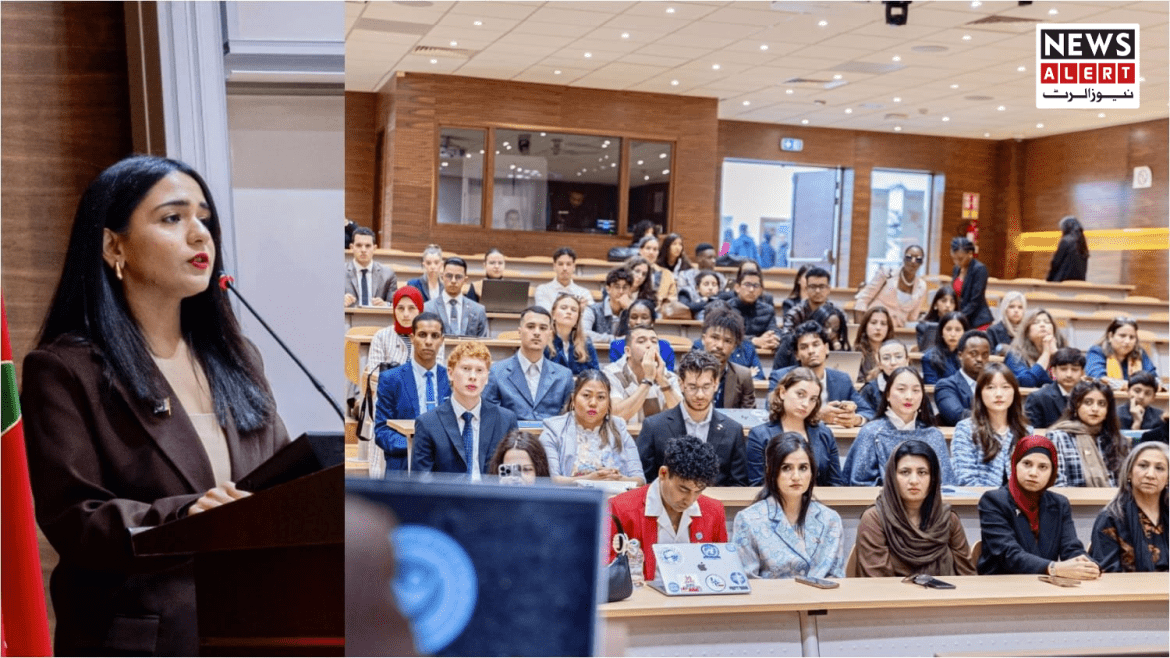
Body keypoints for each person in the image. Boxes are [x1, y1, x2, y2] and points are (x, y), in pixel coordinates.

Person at [22, 155, 291, 655]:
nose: (200, 236)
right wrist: (188, 514)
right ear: (112, 245)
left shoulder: (239, 360)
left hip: (256, 632)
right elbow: (76, 518)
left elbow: (279, 486)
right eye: (173, 218)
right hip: (143, 641)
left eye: (204, 219)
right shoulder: (64, 370)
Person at [976, 435, 1100, 579]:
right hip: (1002, 586)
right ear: (1015, 464)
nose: (1033, 473)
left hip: (1045, 586)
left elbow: (1071, 549)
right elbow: (1009, 555)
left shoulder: (1059, 503)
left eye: (1043, 467)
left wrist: (1087, 565)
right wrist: (1054, 568)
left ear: (1052, 472)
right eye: (1027, 464)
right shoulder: (994, 500)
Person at [608, 437, 727, 581]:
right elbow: (607, 571)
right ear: (663, 473)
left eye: (698, 491)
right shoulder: (621, 508)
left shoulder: (714, 510)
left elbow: (721, 570)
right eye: (683, 489)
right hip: (644, 599)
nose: (689, 500)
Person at [855, 441, 976, 578]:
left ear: (933, 479)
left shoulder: (948, 519)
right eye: (905, 472)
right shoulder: (874, 519)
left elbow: (968, 577)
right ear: (892, 477)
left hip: (944, 598)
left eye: (922, 472)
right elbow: (877, 582)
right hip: (893, 598)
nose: (914, 480)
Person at [732, 434, 845, 579]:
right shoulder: (748, 520)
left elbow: (836, 577)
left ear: (812, 472)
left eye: (803, 468)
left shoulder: (830, 519)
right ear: (772, 472)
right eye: (786, 468)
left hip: (821, 600)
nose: (796, 476)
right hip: (772, 601)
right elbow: (747, 581)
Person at [639, 351, 748, 486]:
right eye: (693, 387)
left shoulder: (733, 429)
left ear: (716, 384)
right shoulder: (654, 426)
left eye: (706, 387)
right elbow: (645, 480)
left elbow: (739, 483)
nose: (700, 395)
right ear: (681, 384)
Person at [411, 341, 519, 475]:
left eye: (479, 370)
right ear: (450, 373)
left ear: (486, 378)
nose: (473, 377)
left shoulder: (506, 420)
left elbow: (512, 478)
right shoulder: (427, 423)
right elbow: (421, 482)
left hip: (490, 495)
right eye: (466, 369)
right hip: (446, 495)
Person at [843, 366, 955, 486]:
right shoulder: (871, 432)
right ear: (887, 395)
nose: (909, 396)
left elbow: (947, 484)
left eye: (916, 390)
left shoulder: (934, 435)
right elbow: (859, 483)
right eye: (901, 389)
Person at [538, 370, 644, 485]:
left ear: (609, 403)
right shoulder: (554, 430)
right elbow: (552, 481)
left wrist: (615, 479)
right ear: (573, 399)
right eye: (586, 395)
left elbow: (640, 480)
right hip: (570, 499)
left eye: (601, 397)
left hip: (616, 499)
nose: (593, 403)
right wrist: (590, 480)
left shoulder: (619, 428)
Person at [374, 312, 450, 472]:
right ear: (412, 338)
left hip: (444, 466)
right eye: (422, 335)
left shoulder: (451, 379)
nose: (428, 342)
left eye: (435, 336)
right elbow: (382, 432)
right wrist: (416, 446)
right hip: (404, 462)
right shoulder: (391, 379)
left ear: (442, 340)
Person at [747, 368, 843, 488]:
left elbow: (836, 483)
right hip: (774, 504)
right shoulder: (759, 435)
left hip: (819, 502)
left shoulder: (824, 433)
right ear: (782, 392)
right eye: (800, 394)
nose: (806, 404)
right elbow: (757, 485)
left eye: (813, 399)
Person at [769, 321, 874, 427]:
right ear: (796, 355)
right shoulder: (780, 377)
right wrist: (817, 415)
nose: (811, 351)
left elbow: (868, 413)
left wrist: (855, 420)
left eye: (816, 345)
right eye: (804, 347)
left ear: (827, 348)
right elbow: (771, 413)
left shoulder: (842, 379)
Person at [483, 306, 574, 421]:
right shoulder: (496, 372)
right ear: (520, 332)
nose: (537, 333)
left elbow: (568, 421)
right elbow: (489, 417)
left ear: (550, 334)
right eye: (531, 327)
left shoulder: (564, 376)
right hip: (510, 437)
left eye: (543, 328)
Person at [1090, 442, 1169, 572]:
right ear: (1129, 473)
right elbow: (1107, 574)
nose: (1150, 474)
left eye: (1159, 468)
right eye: (1143, 466)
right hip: (1128, 591)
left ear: (1168, 478)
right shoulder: (1111, 518)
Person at [952, 363, 1032, 487]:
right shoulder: (965, 429)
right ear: (980, 393)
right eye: (990, 387)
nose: (999, 394)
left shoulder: (1026, 431)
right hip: (979, 502)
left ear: (1014, 392)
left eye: (1005, 387)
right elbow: (965, 479)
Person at [1048, 380, 1129, 487]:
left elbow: (1126, 483)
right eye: (1088, 402)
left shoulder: (1117, 438)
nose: (1095, 409)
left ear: (1107, 411)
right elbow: (1057, 483)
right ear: (1076, 406)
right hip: (1072, 502)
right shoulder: (1058, 437)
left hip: (1114, 501)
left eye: (1101, 404)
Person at [603, 324, 682, 423]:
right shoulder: (611, 374)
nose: (649, 345)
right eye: (641, 341)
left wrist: (662, 381)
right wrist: (648, 379)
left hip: (660, 437)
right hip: (622, 436)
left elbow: (682, 415)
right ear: (628, 351)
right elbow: (616, 416)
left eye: (654, 341)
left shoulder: (668, 376)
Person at [853, 245, 929, 328]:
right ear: (903, 258)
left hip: (897, 332)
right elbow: (862, 301)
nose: (913, 261)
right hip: (874, 327)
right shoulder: (886, 273)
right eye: (909, 257)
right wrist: (859, 331)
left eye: (918, 259)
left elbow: (912, 318)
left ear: (922, 262)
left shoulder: (921, 286)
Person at [695, 307, 757, 408]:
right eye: (715, 337)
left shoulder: (743, 376)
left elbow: (748, 417)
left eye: (727, 341)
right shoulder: (687, 373)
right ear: (703, 339)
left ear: (734, 347)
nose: (720, 345)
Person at [365, 286, 426, 380]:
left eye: (411, 308)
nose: (406, 314)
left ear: (420, 310)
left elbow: (435, 377)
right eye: (401, 308)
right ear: (394, 310)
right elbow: (374, 376)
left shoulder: (432, 337)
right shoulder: (381, 337)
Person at [934, 330, 991, 426]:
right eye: (974, 353)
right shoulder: (946, 385)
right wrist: (996, 417)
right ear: (960, 355)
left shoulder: (993, 384)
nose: (980, 359)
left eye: (985, 355)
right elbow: (957, 416)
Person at [422, 257, 488, 338]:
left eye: (458, 277)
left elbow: (483, 345)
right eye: (449, 276)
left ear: (465, 280)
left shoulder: (478, 310)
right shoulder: (427, 308)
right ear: (442, 277)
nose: (453, 281)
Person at [1086, 317, 1159, 387]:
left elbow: (1154, 379)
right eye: (1122, 336)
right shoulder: (1096, 351)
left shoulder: (1140, 353)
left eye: (1132, 337)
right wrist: (1134, 386)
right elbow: (1098, 379)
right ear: (1110, 336)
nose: (1127, 341)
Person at [1024, 347, 1086, 430]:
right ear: (1053, 371)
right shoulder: (1038, 398)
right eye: (1063, 369)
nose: (1069, 374)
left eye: (1074, 370)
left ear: (1082, 373)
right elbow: (1033, 434)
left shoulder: (1089, 396)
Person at [609, 298, 677, 371]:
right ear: (628, 322)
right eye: (634, 317)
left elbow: (669, 378)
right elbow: (617, 377)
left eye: (644, 318)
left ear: (652, 322)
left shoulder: (665, 347)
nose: (638, 322)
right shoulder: (616, 346)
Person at [1003, 309, 1065, 388]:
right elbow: (1026, 382)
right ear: (1027, 331)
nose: (1042, 325)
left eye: (1047, 322)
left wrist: (1057, 357)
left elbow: (1067, 384)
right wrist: (1046, 353)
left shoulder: (1062, 351)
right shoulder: (1015, 354)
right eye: (1036, 322)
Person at [547, 293, 600, 375]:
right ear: (553, 315)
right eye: (563, 308)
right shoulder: (544, 341)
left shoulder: (586, 343)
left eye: (574, 310)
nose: (569, 312)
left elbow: (595, 375)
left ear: (577, 319)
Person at [730, 268, 781, 352]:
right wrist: (754, 341)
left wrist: (773, 338)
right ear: (737, 287)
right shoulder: (727, 308)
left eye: (756, 286)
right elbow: (728, 335)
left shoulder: (768, 310)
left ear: (761, 290)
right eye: (747, 284)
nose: (751, 290)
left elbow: (774, 330)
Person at [345, 226, 396, 307]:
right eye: (359, 245)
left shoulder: (388, 274)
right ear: (351, 248)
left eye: (368, 246)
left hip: (376, 319)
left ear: (374, 248)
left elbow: (395, 305)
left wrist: (386, 304)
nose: (363, 250)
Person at [780, 266, 838, 337]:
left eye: (822, 287)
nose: (817, 291)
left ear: (828, 289)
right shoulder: (794, 314)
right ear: (807, 289)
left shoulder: (836, 313)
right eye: (813, 287)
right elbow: (786, 338)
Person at [949, 236, 993, 330]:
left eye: (960, 259)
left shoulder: (979, 269)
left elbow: (975, 301)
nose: (957, 262)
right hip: (962, 320)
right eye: (954, 259)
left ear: (970, 254)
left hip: (978, 321)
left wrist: (958, 317)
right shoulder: (956, 269)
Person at [583, 267, 634, 344]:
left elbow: (644, 333)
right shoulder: (592, 310)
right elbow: (583, 333)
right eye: (617, 287)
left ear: (630, 290)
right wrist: (615, 339)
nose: (621, 291)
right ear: (608, 289)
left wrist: (632, 309)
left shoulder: (633, 309)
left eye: (625, 287)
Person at [859, 339, 910, 414]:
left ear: (907, 361)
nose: (893, 362)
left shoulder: (916, 387)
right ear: (880, 364)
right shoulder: (869, 389)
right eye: (886, 358)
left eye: (898, 357)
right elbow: (863, 416)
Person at [534, 247, 593, 311]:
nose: (565, 268)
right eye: (560, 264)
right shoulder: (542, 290)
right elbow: (545, 314)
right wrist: (577, 309)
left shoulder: (584, 293)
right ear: (554, 266)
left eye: (568, 264)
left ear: (574, 267)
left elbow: (592, 314)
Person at [921, 311, 968, 385]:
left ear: (965, 333)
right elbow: (931, 388)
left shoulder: (969, 356)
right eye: (948, 329)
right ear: (941, 332)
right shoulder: (929, 357)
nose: (953, 334)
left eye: (958, 330)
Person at [637, 234, 679, 309]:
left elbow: (673, 298)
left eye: (655, 249)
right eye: (648, 248)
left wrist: (663, 301)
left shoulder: (667, 274)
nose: (651, 252)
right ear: (640, 250)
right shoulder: (631, 270)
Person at [854, 306, 894, 383]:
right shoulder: (856, 352)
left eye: (883, 324)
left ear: (888, 328)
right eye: (873, 323)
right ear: (865, 326)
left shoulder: (895, 351)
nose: (878, 328)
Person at [1047, 215, 1090, 282]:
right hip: (1079, 282)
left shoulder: (1066, 240)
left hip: (1063, 281)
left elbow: (1056, 263)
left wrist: (1048, 280)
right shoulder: (1082, 242)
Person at [915, 287, 958, 351]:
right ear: (935, 305)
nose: (948, 305)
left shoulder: (960, 326)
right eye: (944, 301)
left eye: (952, 302)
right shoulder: (924, 327)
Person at [985, 290, 1027, 355]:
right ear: (1005, 309)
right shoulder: (993, 330)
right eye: (1011, 307)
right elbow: (990, 354)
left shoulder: (1027, 330)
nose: (1016, 310)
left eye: (1020, 307)